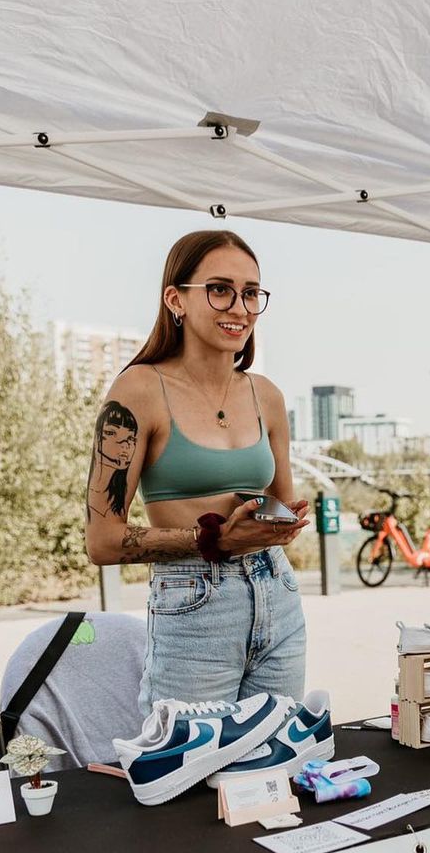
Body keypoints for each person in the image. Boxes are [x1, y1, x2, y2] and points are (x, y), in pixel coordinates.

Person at [85, 229, 309, 712]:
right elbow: (101, 542)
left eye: (251, 293)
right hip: (194, 598)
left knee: (275, 765)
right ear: (176, 300)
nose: (240, 307)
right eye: (220, 289)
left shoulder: (266, 395)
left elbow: (279, 507)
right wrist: (212, 539)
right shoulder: (138, 390)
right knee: (188, 768)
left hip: (277, 592)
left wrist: (277, 521)